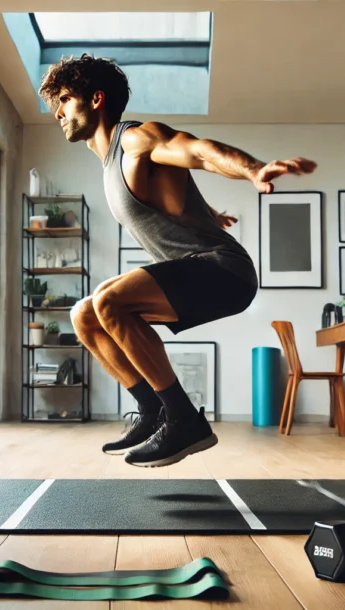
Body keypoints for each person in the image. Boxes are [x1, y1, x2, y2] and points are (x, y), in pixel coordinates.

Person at [37, 54, 316, 467]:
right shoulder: (112, 165)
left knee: (108, 300)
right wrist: (208, 215)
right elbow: (178, 194)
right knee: (85, 315)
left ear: (96, 99)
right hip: (199, 269)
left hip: (224, 271)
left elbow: (198, 152)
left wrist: (253, 169)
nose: (58, 112)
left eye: (64, 99)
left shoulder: (134, 140)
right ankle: (152, 411)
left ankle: (183, 420)